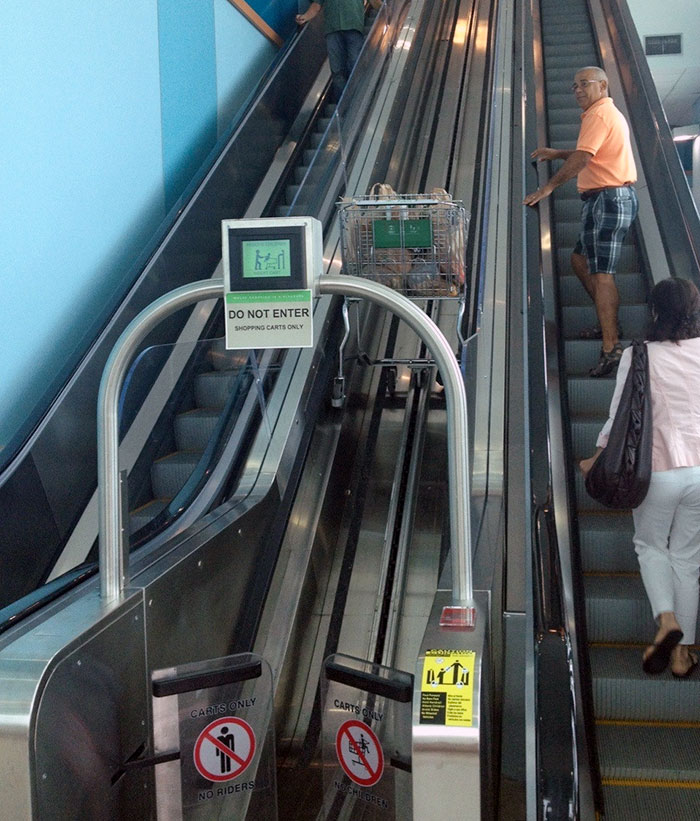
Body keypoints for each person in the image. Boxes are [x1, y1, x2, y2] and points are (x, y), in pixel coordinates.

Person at [580, 278, 700, 678]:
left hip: (659, 471)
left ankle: (666, 620)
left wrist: (597, 458)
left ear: (653, 311)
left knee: (650, 546)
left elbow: (620, 416)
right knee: (688, 558)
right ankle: (683, 655)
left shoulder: (639, 355)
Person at [524, 66, 638, 377]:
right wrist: (557, 152)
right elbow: (590, 153)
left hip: (609, 199)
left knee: (602, 274)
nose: (576, 90)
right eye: (573, 85)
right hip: (603, 198)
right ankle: (608, 321)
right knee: (579, 261)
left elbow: (585, 157)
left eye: (583, 84)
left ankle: (611, 347)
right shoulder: (599, 114)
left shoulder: (600, 114)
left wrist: (548, 187)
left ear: (603, 85)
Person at [295, 0, 367, 100]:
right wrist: (305, 17)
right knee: (337, 69)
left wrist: (385, 10)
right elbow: (316, 5)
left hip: (353, 27)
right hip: (333, 29)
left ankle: (358, 100)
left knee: (354, 63)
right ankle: (342, 106)